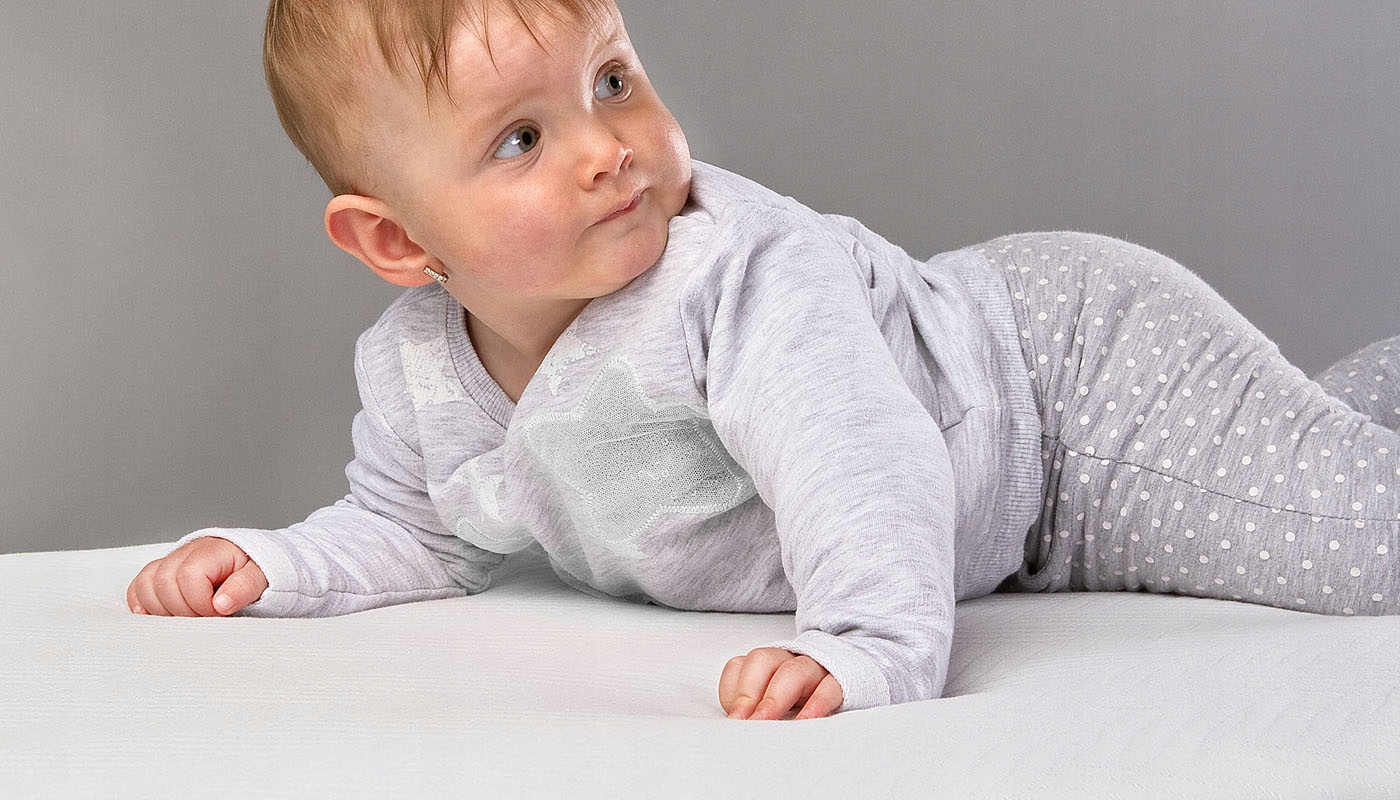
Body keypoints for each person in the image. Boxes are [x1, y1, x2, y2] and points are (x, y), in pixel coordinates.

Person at [126, 0, 1400, 721]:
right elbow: (421, 528)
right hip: (1011, 495)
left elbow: (858, 454)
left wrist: (866, 643)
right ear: (398, 240)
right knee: (1316, 446)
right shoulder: (420, 369)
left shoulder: (735, 273)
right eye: (519, 139)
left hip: (1070, 398)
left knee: (1367, 546)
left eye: (611, 80)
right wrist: (278, 564)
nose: (605, 148)